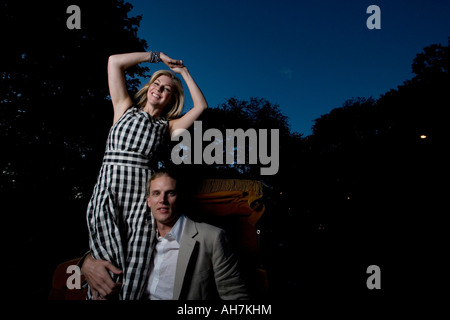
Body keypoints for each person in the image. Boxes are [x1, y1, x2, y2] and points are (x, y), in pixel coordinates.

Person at [85, 50, 208, 300]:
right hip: (109, 193)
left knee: (137, 265)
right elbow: (114, 62)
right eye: (157, 84)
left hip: (141, 202)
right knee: (109, 267)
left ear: (170, 100)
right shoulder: (123, 108)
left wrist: (182, 73)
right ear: (149, 86)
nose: (160, 90)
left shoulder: (167, 127)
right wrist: (157, 57)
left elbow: (201, 106)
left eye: (167, 90)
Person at [82, 170, 249, 300]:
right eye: (156, 193)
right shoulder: (135, 235)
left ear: (180, 198)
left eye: (170, 193)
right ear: (148, 201)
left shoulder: (212, 237)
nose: (163, 200)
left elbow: (236, 297)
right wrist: (86, 262)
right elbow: (105, 248)